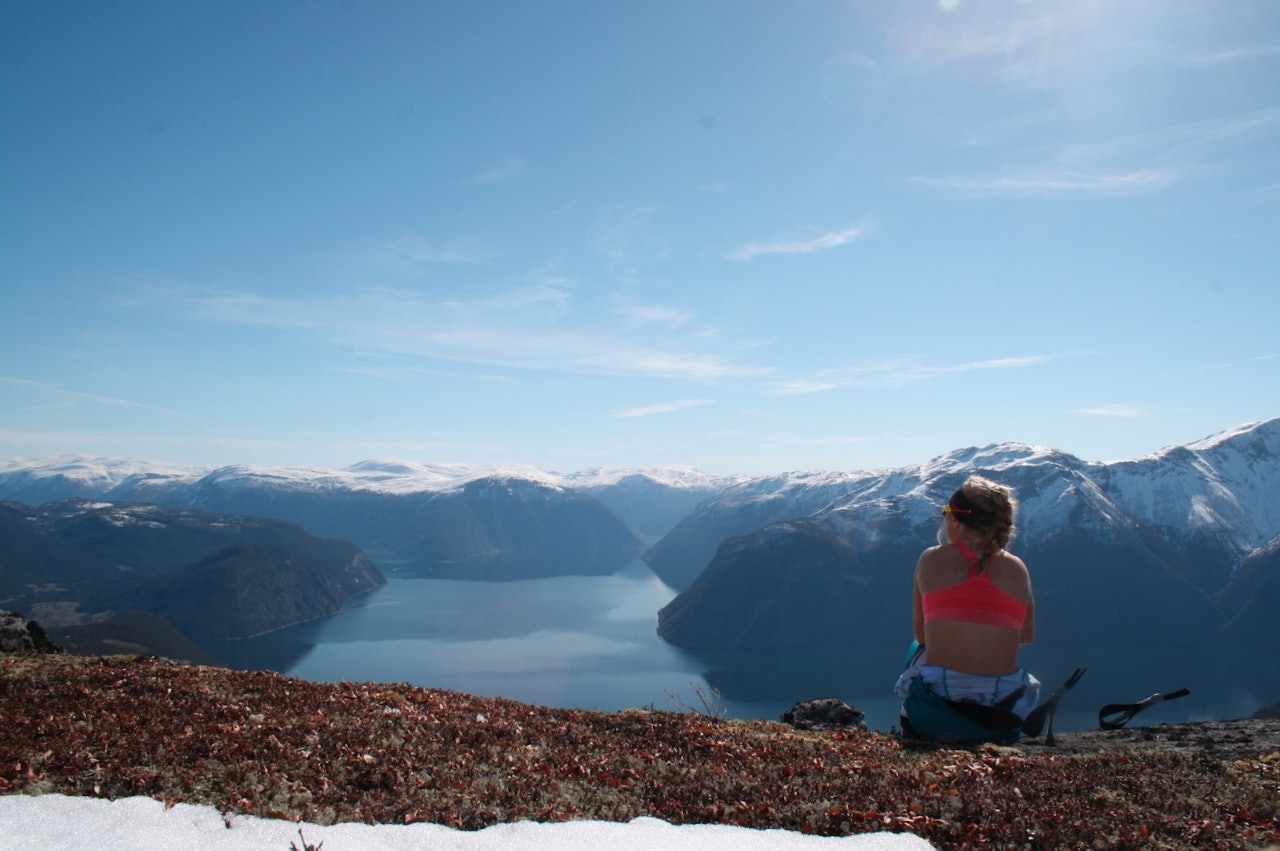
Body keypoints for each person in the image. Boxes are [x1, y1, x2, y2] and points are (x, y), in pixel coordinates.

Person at [894, 475, 1040, 743]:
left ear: (956, 520)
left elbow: (923, 635)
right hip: (1003, 719)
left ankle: (909, 719)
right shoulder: (1017, 569)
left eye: (946, 512)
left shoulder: (931, 560)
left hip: (937, 718)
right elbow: (1026, 635)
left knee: (917, 648)